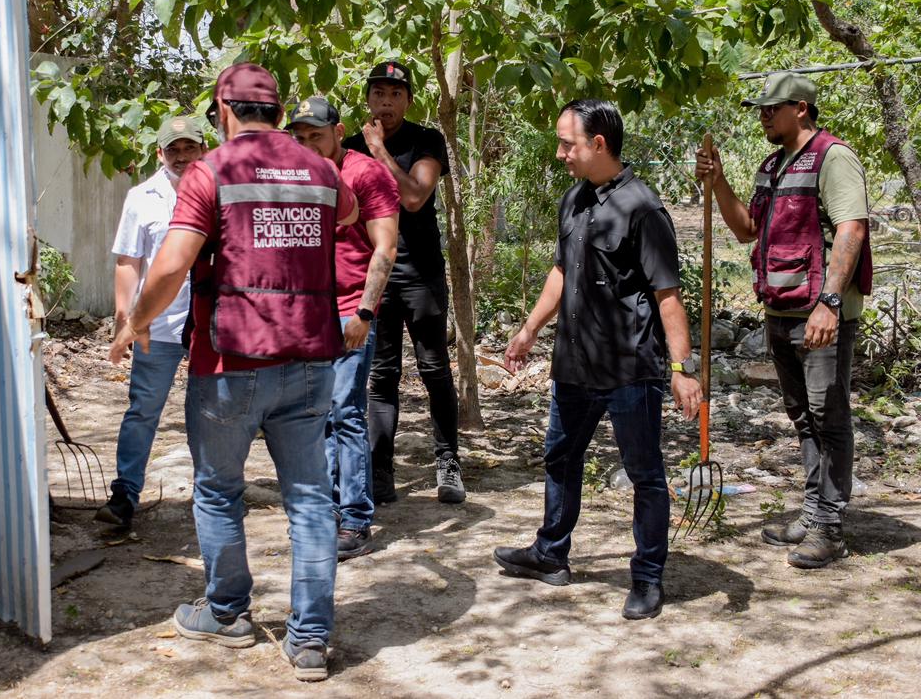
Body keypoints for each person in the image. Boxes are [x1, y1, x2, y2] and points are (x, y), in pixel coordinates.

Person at [109, 63, 358, 682]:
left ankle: (227, 613)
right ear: (280, 112)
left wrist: (135, 320)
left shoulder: (212, 171)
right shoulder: (322, 169)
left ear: (223, 110)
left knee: (219, 490)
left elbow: (171, 265)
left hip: (229, 364)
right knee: (310, 498)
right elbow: (349, 214)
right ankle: (309, 640)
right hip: (310, 360)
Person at [495, 99, 701, 620]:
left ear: (599, 144)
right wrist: (529, 330)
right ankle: (550, 554)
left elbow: (668, 295)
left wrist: (683, 370)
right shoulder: (574, 199)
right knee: (560, 458)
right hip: (574, 365)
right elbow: (562, 272)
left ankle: (648, 577)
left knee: (644, 473)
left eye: (568, 144)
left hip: (629, 369)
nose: (560, 153)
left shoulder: (643, 209)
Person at [695, 71, 871, 569]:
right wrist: (718, 180)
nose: (763, 116)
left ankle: (829, 527)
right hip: (780, 309)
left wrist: (829, 304)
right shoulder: (772, 166)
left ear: (801, 108)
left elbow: (852, 230)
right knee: (803, 416)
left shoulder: (834, 157)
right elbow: (746, 229)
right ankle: (813, 513)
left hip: (820, 313)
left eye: (772, 108)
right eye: (761, 109)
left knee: (828, 416)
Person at [343, 60, 465, 505]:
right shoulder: (348, 146)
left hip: (420, 274)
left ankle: (448, 462)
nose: (386, 102)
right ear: (367, 98)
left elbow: (414, 196)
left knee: (434, 368)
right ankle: (380, 470)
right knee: (382, 375)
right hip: (374, 277)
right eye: (378, 93)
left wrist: (378, 151)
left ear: (409, 100)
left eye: (396, 94)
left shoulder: (425, 140)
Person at [288, 95, 400, 561]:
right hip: (308, 311)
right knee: (316, 414)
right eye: (300, 137)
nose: (308, 144)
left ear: (339, 131)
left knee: (345, 411)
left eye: (316, 135)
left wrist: (365, 313)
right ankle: (328, 510)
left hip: (350, 309)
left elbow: (386, 247)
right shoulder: (296, 175)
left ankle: (356, 519)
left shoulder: (366, 173)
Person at [95, 116, 208, 529]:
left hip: (208, 325)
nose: (181, 156)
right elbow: (128, 261)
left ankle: (211, 494)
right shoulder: (142, 197)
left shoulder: (220, 192)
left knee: (208, 412)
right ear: (160, 154)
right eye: (173, 149)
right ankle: (125, 494)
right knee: (143, 409)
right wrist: (125, 318)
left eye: (189, 148)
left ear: (204, 150)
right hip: (157, 326)